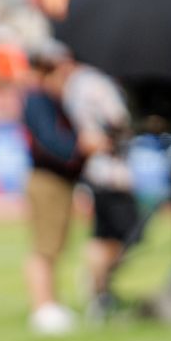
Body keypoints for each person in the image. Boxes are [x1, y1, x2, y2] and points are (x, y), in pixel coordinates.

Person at [18, 39, 91, 335]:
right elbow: (52, 142)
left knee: (55, 244)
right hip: (47, 179)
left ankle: (51, 304)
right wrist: (80, 148)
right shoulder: (38, 100)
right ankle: (43, 307)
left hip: (59, 180)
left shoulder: (55, 100)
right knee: (44, 246)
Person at [62, 58, 138, 321]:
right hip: (110, 171)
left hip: (96, 169)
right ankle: (97, 284)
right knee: (124, 233)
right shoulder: (97, 83)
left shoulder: (75, 83)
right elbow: (118, 120)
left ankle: (100, 287)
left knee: (106, 233)